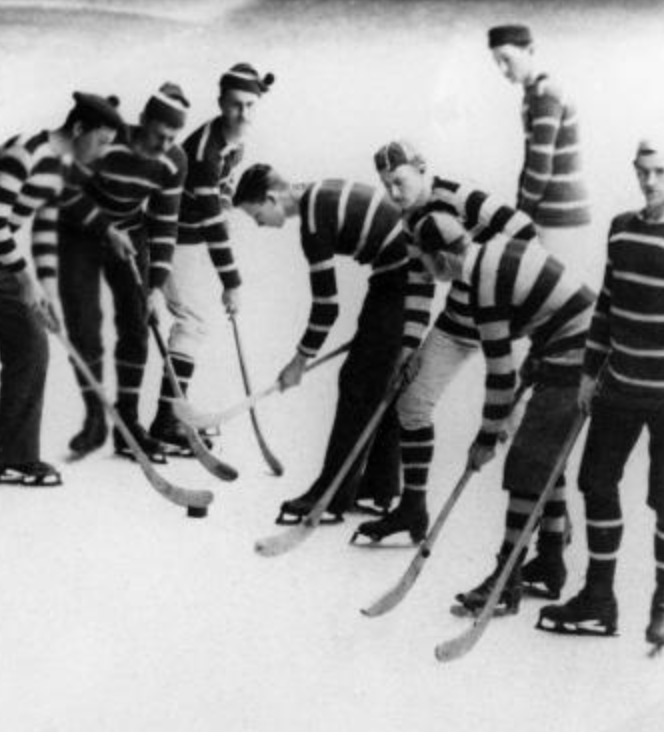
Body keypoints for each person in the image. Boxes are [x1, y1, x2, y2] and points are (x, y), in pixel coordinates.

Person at [356, 141, 566, 580]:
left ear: (421, 169)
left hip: (506, 318)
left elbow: (526, 231)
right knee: (410, 402)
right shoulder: (409, 220)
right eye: (386, 185)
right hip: (458, 322)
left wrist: (490, 282)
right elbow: (419, 288)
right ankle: (412, 508)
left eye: (400, 181)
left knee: (525, 429)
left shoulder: (455, 195)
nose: (394, 192)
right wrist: (409, 350)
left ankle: (553, 534)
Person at [402, 209, 594, 616]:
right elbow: (541, 310)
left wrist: (486, 439)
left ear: (442, 259)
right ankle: (550, 561)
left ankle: (504, 580)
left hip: (581, 352)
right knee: (543, 456)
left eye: (423, 259)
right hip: (569, 343)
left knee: (526, 462)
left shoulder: (482, 287)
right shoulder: (491, 252)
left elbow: (500, 377)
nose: (423, 268)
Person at [538, 138, 664, 648]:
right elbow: (607, 305)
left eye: (659, 173)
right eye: (643, 172)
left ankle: (663, 603)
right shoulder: (622, 229)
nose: (650, 182)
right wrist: (589, 372)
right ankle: (598, 600)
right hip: (617, 384)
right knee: (595, 481)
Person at [233, 164, 410, 523]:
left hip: (401, 278)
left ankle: (331, 496)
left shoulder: (313, 220)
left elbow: (327, 306)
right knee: (379, 381)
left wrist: (298, 361)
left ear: (271, 198)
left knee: (357, 384)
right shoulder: (317, 195)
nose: (260, 224)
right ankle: (378, 489)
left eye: (256, 215)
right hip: (399, 276)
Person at [59, 83, 189, 463]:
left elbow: (165, 223)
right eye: (158, 135)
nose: (164, 145)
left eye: (172, 138)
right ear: (143, 121)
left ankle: (127, 424)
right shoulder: (108, 141)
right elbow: (67, 193)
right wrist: (104, 229)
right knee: (85, 329)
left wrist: (157, 287)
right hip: (81, 232)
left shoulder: (174, 161)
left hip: (131, 235)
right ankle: (93, 420)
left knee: (137, 325)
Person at [150, 64, 275, 453]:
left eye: (251, 105)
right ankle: (167, 423)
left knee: (194, 321)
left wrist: (221, 207)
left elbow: (223, 189)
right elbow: (210, 224)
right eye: (236, 105)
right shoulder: (204, 153)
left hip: (191, 232)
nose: (245, 114)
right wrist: (233, 283)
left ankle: (169, 417)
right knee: (193, 320)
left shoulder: (235, 139)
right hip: (167, 233)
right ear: (221, 103)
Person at [0, 92, 123, 486]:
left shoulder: (59, 167)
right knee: (29, 347)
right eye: (101, 142)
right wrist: (25, 280)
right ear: (79, 128)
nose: (102, 153)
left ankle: (12, 456)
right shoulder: (26, 153)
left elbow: (44, 232)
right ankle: (13, 456)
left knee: (31, 346)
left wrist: (48, 295)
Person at [488, 24, 593, 278]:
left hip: (560, 214)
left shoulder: (545, 95)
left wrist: (521, 216)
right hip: (555, 211)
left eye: (507, 59)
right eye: (496, 62)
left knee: (552, 294)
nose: (502, 70)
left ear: (530, 50)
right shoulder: (534, 94)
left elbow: (540, 167)